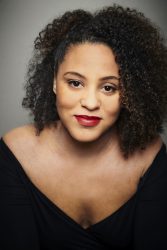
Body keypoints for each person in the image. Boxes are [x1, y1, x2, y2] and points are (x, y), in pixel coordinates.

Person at [0, 4, 167, 250]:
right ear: (55, 82)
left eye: (109, 87)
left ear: (130, 93)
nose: (90, 103)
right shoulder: (16, 151)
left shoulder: (149, 157)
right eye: (75, 83)